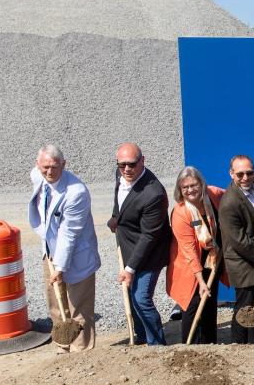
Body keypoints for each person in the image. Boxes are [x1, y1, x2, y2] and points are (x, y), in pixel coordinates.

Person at [28, 145, 101, 353]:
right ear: (38, 165)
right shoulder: (38, 176)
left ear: (64, 164)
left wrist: (59, 267)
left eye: (54, 167)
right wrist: (52, 261)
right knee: (56, 304)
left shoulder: (76, 192)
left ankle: (81, 352)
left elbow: (69, 235)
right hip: (50, 252)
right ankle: (62, 345)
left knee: (79, 307)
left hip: (77, 255)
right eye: (45, 168)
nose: (50, 172)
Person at [108, 142, 171, 346]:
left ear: (142, 161)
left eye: (132, 164)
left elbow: (149, 236)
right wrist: (115, 217)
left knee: (140, 298)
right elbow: (120, 200)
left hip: (150, 253)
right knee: (131, 295)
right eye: (122, 164)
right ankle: (142, 337)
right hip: (128, 245)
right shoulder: (121, 175)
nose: (127, 169)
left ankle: (157, 345)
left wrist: (129, 269)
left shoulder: (154, 193)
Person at [167, 166, 228, 344]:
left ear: (201, 184)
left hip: (212, 260)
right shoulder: (181, 212)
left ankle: (210, 345)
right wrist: (200, 281)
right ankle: (191, 348)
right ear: (179, 189)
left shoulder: (213, 195)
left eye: (194, 185)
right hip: (190, 268)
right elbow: (188, 251)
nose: (190, 190)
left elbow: (231, 195)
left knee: (209, 304)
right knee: (193, 306)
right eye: (185, 187)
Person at [219, 155, 254, 344]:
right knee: (245, 308)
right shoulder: (229, 203)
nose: (245, 178)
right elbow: (240, 241)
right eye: (240, 174)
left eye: (249, 173)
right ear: (231, 174)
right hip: (244, 263)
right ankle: (239, 347)